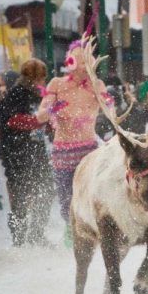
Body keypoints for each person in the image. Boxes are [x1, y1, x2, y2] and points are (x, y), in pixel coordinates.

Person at [36, 40, 103, 244]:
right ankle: (70, 229)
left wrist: (106, 101)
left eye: (87, 60)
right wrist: (51, 110)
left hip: (89, 150)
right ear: (70, 61)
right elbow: (40, 116)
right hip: (63, 150)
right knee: (66, 198)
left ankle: (93, 232)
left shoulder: (97, 85)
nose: (82, 64)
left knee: (91, 194)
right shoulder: (56, 84)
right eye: (78, 59)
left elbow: (111, 109)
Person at [0, 59, 54, 246]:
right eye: (41, 78)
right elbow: (12, 120)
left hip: (35, 150)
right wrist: (37, 121)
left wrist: (49, 122)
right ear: (33, 77)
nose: (43, 82)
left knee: (46, 191)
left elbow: (42, 120)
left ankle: (37, 234)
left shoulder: (38, 95)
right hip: (15, 153)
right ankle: (18, 238)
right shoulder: (17, 94)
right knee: (20, 197)